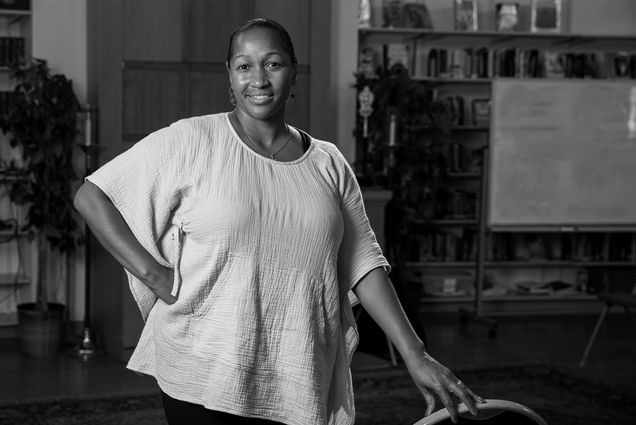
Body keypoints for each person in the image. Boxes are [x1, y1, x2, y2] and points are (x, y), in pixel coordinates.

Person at [73, 18, 483, 425]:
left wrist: (415, 353)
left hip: (298, 368)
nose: (259, 79)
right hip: (202, 364)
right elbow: (92, 196)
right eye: (244, 66)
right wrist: (153, 274)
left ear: (294, 74)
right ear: (230, 78)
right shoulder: (192, 140)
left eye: (272, 64)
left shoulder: (329, 163)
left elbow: (364, 264)